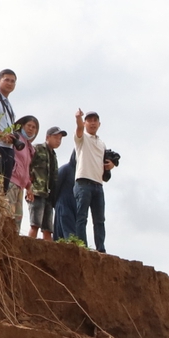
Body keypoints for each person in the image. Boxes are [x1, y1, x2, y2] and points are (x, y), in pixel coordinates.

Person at [71, 108, 109, 252]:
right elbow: (79, 129)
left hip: (98, 184)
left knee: (99, 220)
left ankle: (101, 248)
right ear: (86, 123)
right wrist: (78, 118)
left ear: (99, 124)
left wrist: (110, 165)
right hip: (83, 182)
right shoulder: (81, 138)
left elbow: (105, 161)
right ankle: (82, 246)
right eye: (89, 120)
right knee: (82, 216)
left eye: (95, 121)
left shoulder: (102, 143)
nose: (92, 123)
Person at [28, 125, 65, 239]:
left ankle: (49, 256)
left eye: (60, 139)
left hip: (48, 195)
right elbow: (26, 164)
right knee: (35, 225)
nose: (58, 141)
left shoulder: (53, 155)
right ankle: (28, 249)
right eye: (56, 137)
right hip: (37, 192)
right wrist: (29, 184)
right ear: (47, 137)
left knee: (48, 229)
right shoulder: (37, 148)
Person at [7, 115, 38, 227]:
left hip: (21, 186)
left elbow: (26, 168)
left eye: (34, 127)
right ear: (22, 126)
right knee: (8, 214)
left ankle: (13, 243)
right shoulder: (15, 138)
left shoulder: (30, 148)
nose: (31, 129)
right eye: (29, 126)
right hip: (11, 181)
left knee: (17, 217)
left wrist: (29, 186)